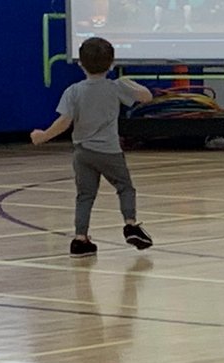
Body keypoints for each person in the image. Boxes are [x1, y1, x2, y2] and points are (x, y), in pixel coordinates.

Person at [31, 36, 154, 259]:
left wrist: (43, 136)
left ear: (80, 63)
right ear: (112, 62)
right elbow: (147, 97)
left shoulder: (73, 91)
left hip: (82, 153)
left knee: (85, 196)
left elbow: (64, 122)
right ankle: (131, 225)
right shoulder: (115, 87)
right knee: (125, 188)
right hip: (110, 151)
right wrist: (129, 82)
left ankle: (80, 239)